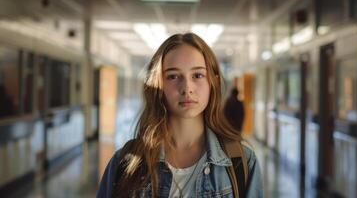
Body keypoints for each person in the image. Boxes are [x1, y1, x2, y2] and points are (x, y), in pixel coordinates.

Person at [97, 33, 263, 198]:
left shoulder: (241, 162)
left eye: (197, 75)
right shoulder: (126, 162)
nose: (187, 88)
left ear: (213, 83)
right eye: (173, 76)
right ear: (157, 85)